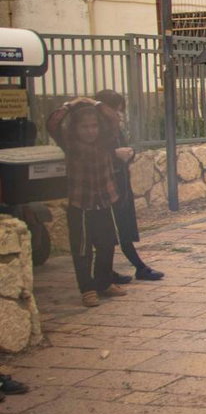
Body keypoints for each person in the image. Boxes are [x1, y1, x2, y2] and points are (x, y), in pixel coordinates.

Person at [46, 98, 127, 308]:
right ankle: (87, 289)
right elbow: (53, 124)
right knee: (82, 249)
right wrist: (70, 105)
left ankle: (104, 283)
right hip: (81, 204)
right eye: (85, 127)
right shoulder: (70, 144)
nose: (90, 131)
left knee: (107, 245)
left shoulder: (105, 141)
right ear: (75, 129)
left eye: (94, 126)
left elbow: (113, 119)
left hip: (105, 201)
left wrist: (95, 102)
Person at [91, 89, 163, 282]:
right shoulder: (96, 129)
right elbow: (93, 155)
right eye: (115, 110)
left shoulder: (113, 128)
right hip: (107, 185)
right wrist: (115, 155)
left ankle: (111, 271)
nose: (118, 114)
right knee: (114, 229)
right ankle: (136, 267)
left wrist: (128, 153)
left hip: (121, 182)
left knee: (123, 226)